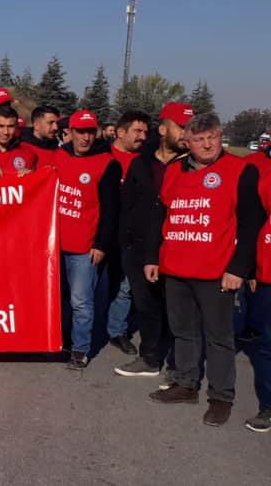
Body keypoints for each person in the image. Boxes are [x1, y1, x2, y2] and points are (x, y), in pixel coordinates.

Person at [144, 113, 263, 427]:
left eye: (212, 136)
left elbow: (251, 224)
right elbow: (160, 217)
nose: (208, 144)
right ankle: (185, 384)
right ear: (187, 142)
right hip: (176, 267)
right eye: (200, 139)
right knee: (182, 331)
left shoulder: (240, 170)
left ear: (220, 135)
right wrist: (152, 257)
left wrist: (239, 268)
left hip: (216, 271)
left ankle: (221, 396)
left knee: (219, 337)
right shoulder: (174, 170)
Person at [113, 104, 190, 380]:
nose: (186, 133)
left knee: (177, 311)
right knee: (146, 306)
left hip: (176, 248)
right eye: (181, 126)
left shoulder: (191, 165)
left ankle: (178, 365)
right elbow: (127, 205)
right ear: (164, 129)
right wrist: (126, 244)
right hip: (138, 248)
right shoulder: (141, 162)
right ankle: (149, 358)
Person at [53, 110, 122, 369]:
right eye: (80, 131)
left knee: (81, 301)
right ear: (69, 132)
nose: (85, 137)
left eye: (90, 132)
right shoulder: (59, 155)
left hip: (84, 247)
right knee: (59, 298)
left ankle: (80, 349)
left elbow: (111, 209)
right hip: (55, 243)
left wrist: (101, 244)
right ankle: (60, 341)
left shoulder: (106, 163)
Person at [101, 111, 150, 357]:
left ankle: (116, 331)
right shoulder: (102, 155)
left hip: (129, 236)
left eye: (145, 132)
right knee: (94, 286)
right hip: (99, 233)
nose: (143, 137)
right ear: (120, 132)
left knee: (124, 286)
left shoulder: (145, 161)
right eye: (137, 131)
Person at [242, 140, 271, 432]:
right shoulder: (260, 170)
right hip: (267, 272)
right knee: (267, 344)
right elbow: (253, 221)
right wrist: (251, 267)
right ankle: (268, 406)